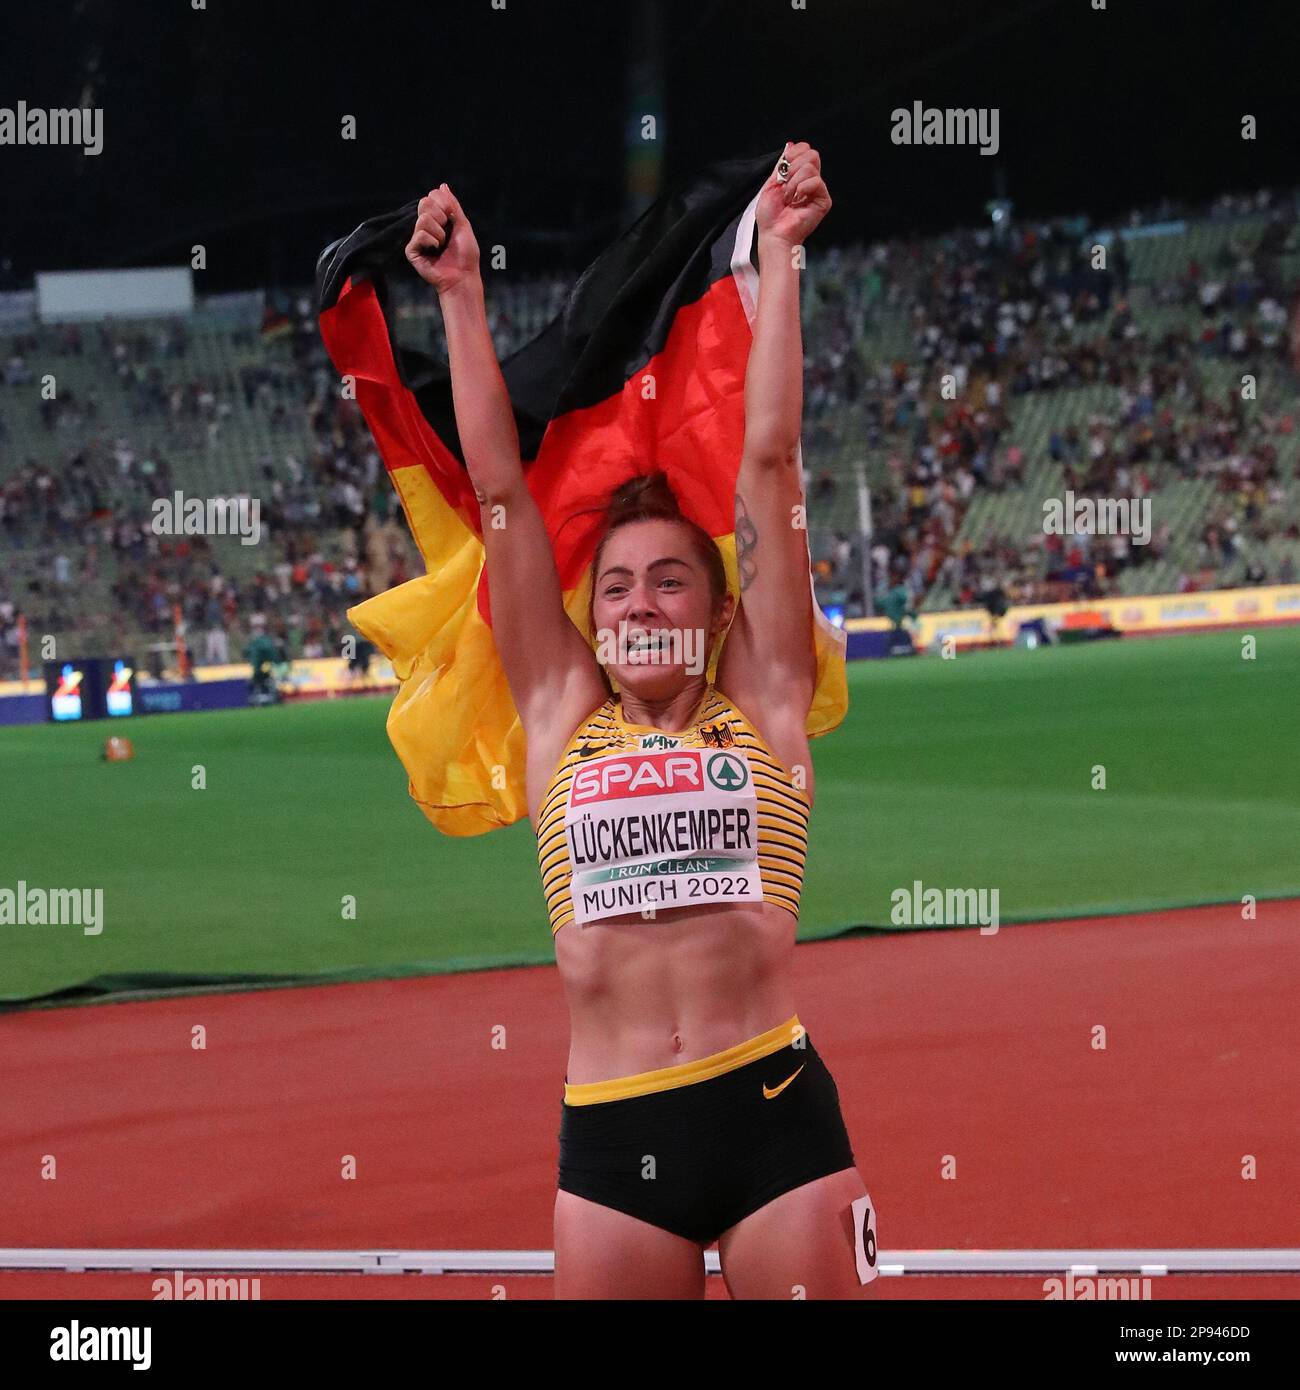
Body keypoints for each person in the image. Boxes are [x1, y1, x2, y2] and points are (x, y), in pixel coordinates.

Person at [404, 142, 875, 1300]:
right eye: (614, 585)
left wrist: (779, 255)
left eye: (669, 579)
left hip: (773, 1115)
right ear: (591, 615)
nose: (639, 602)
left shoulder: (763, 699)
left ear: (718, 606)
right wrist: (462, 298)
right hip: (614, 1138)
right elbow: (505, 496)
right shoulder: (561, 711)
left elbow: (765, 465)